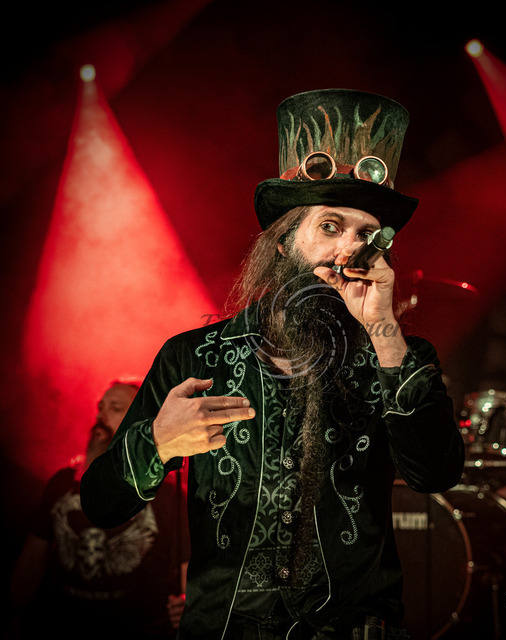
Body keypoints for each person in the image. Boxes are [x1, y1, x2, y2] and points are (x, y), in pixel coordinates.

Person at [80, 89, 465, 640]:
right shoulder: (195, 356)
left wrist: (383, 329)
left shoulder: (397, 355)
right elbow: (100, 505)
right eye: (330, 226)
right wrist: (157, 444)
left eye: (365, 235)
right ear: (283, 241)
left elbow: (436, 474)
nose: (347, 250)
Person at [8, 381, 189, 640]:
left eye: (115, 408)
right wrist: (14, 613)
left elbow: (187, 571)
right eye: (100, 407)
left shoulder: (168, 494)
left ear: (143, 424)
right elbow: (33, 558)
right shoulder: (62, 483)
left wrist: (188, 606)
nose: (100, 417)